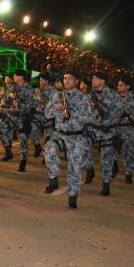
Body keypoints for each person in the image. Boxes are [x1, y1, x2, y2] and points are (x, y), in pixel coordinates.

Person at [43, 70, 92, 210]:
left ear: (76, 81)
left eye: (70, 78)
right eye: (65, 78)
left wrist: (71, 112)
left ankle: (73, 196)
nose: (67, 81)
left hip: (76, 136)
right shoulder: (57, 95)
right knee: (49, 149)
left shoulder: (82, 98)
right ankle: (53, 178)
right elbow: (47, 114)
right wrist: (57, 108)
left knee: (75, 168)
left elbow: (88, 117)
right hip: (60, 133)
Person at [89, 71, 123, 196]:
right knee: (81, 149)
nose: (93, 80)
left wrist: (103, 114)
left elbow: (119, 112)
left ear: (102, 81)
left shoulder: (113, 94)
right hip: (93, 128)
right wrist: (92, 107)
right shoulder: (90, 94)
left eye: (95, 78)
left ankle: (106, 184)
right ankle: (89, 169)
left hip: (107, 130)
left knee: (106, 159)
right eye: (93, 78)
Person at [0, 69, 36, 172]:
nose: (13, 77)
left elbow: (31, 105)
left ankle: (23, 160)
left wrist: (18, 102)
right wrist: (9, 97)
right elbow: (4, 100)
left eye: (15, 75)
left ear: (21, 77)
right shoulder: (12, 87)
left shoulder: (29, 89)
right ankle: (8, 151)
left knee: (23, 139)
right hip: (12, 115)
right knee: (2, 129)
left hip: (23, 117)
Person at [116, 77, 134, 184]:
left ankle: (128, 174)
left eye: (121, 85)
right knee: (111, 151)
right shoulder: (114, 98)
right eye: (118, 84)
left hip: (129, 130)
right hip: (115, 129)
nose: (118, 86)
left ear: (127, 87)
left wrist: (132, 117)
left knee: (129, 153)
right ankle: (113, 168)